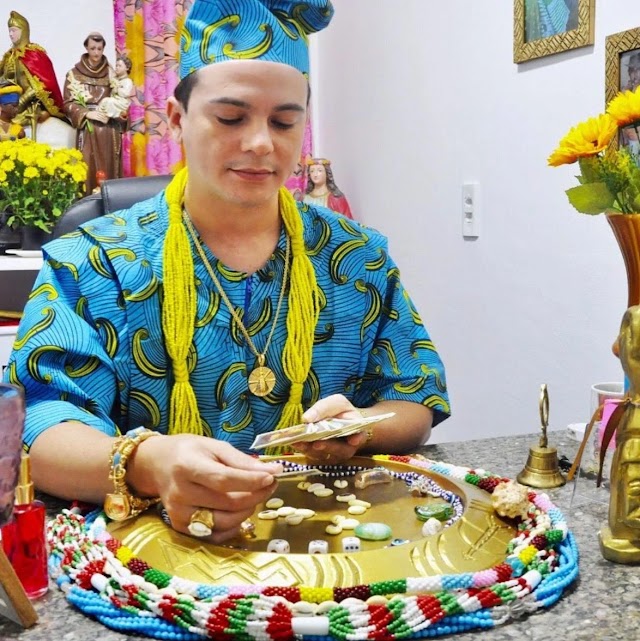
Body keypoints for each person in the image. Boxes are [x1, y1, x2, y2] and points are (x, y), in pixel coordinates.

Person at [4, 0, 449, 544]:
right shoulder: (93, 260)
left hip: (331, 545)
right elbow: (41, 427)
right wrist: (150, 463)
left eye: (284, 121)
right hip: (149, 554)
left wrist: (358, 428)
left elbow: (414, 401)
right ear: (176, 120)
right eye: (231, 117)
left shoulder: (357, 256)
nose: (262, 144)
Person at [63, 33, 127, 195]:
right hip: (88, 130)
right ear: (86, 48)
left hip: (108, 129)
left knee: (109, 168)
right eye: (92, 48)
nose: (96, 53)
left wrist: (121, 113)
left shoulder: (112, 73)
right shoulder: (74, 74)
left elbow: (120, 99)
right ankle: (87, 202)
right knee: (88, 166)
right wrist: (86, 113)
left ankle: (110, 202)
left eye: (99, 49)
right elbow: (68, 104)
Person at [0, 11, 64, 129]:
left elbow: (42, 85)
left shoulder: (34, 54)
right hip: (8, 104)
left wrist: (21, 101)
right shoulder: (9, 56)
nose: (10, 34)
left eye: (14, 30)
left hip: (29, 105)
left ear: (23, 31)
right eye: (9, 31)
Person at [98, 55, 133, 120]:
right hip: (115, 100)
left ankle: (105, 118)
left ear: (127, 68)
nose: (117, 68)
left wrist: (117, 89)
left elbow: (126, 93)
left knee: (109, 101)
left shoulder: (127, 81)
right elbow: (111, 72)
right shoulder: (116, 79)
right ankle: (99, 116)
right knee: (104, 100)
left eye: (120, 66)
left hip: (122, 102)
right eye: (116, 66)